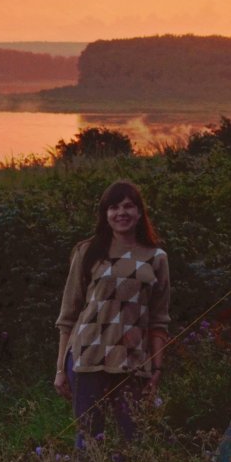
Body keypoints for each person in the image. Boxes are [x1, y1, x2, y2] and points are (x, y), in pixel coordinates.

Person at [55, 179, 170, 446]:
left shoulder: (156, 257)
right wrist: (61, 368)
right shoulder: (87, 252)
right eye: (114, 207)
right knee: (88, 440)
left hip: (133, 362)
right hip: (87, 357)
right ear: (105, 214)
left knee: (134, 439)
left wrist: (157, 368)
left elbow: (159, 320)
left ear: (140, 213)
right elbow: (68, 316)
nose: (121, 213)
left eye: (128, 206)